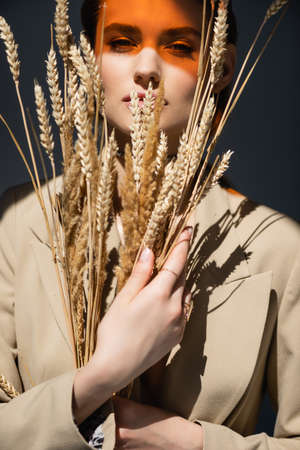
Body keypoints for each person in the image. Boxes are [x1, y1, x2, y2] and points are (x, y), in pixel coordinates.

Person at [0, 0, 300, 449]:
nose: (146, 68)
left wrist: (182, 440)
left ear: (220, 67)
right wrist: (99, 379)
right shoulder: (20, 222)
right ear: (86, 56)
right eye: (121, 42)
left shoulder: (277, 246)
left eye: (179, 46)